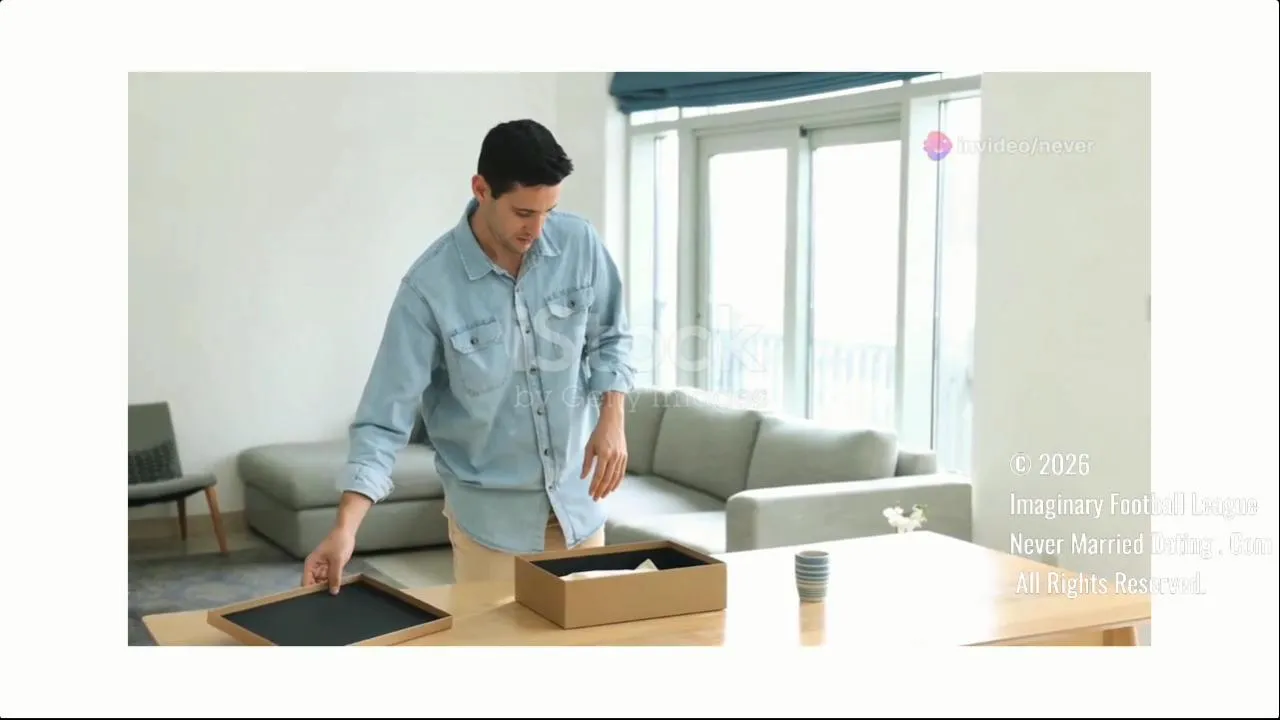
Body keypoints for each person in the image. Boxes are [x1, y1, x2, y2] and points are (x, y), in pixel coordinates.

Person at [301, 118, 635, 593]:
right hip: (492, 532)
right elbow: (384, 419)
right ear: (481, 189)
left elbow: (611, 336)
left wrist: (612, 416)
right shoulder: (428, 288)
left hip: (580, 512)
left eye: (549, 211)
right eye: (524, 213)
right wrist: (345, 528)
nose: (538, 229)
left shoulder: (579, 243)